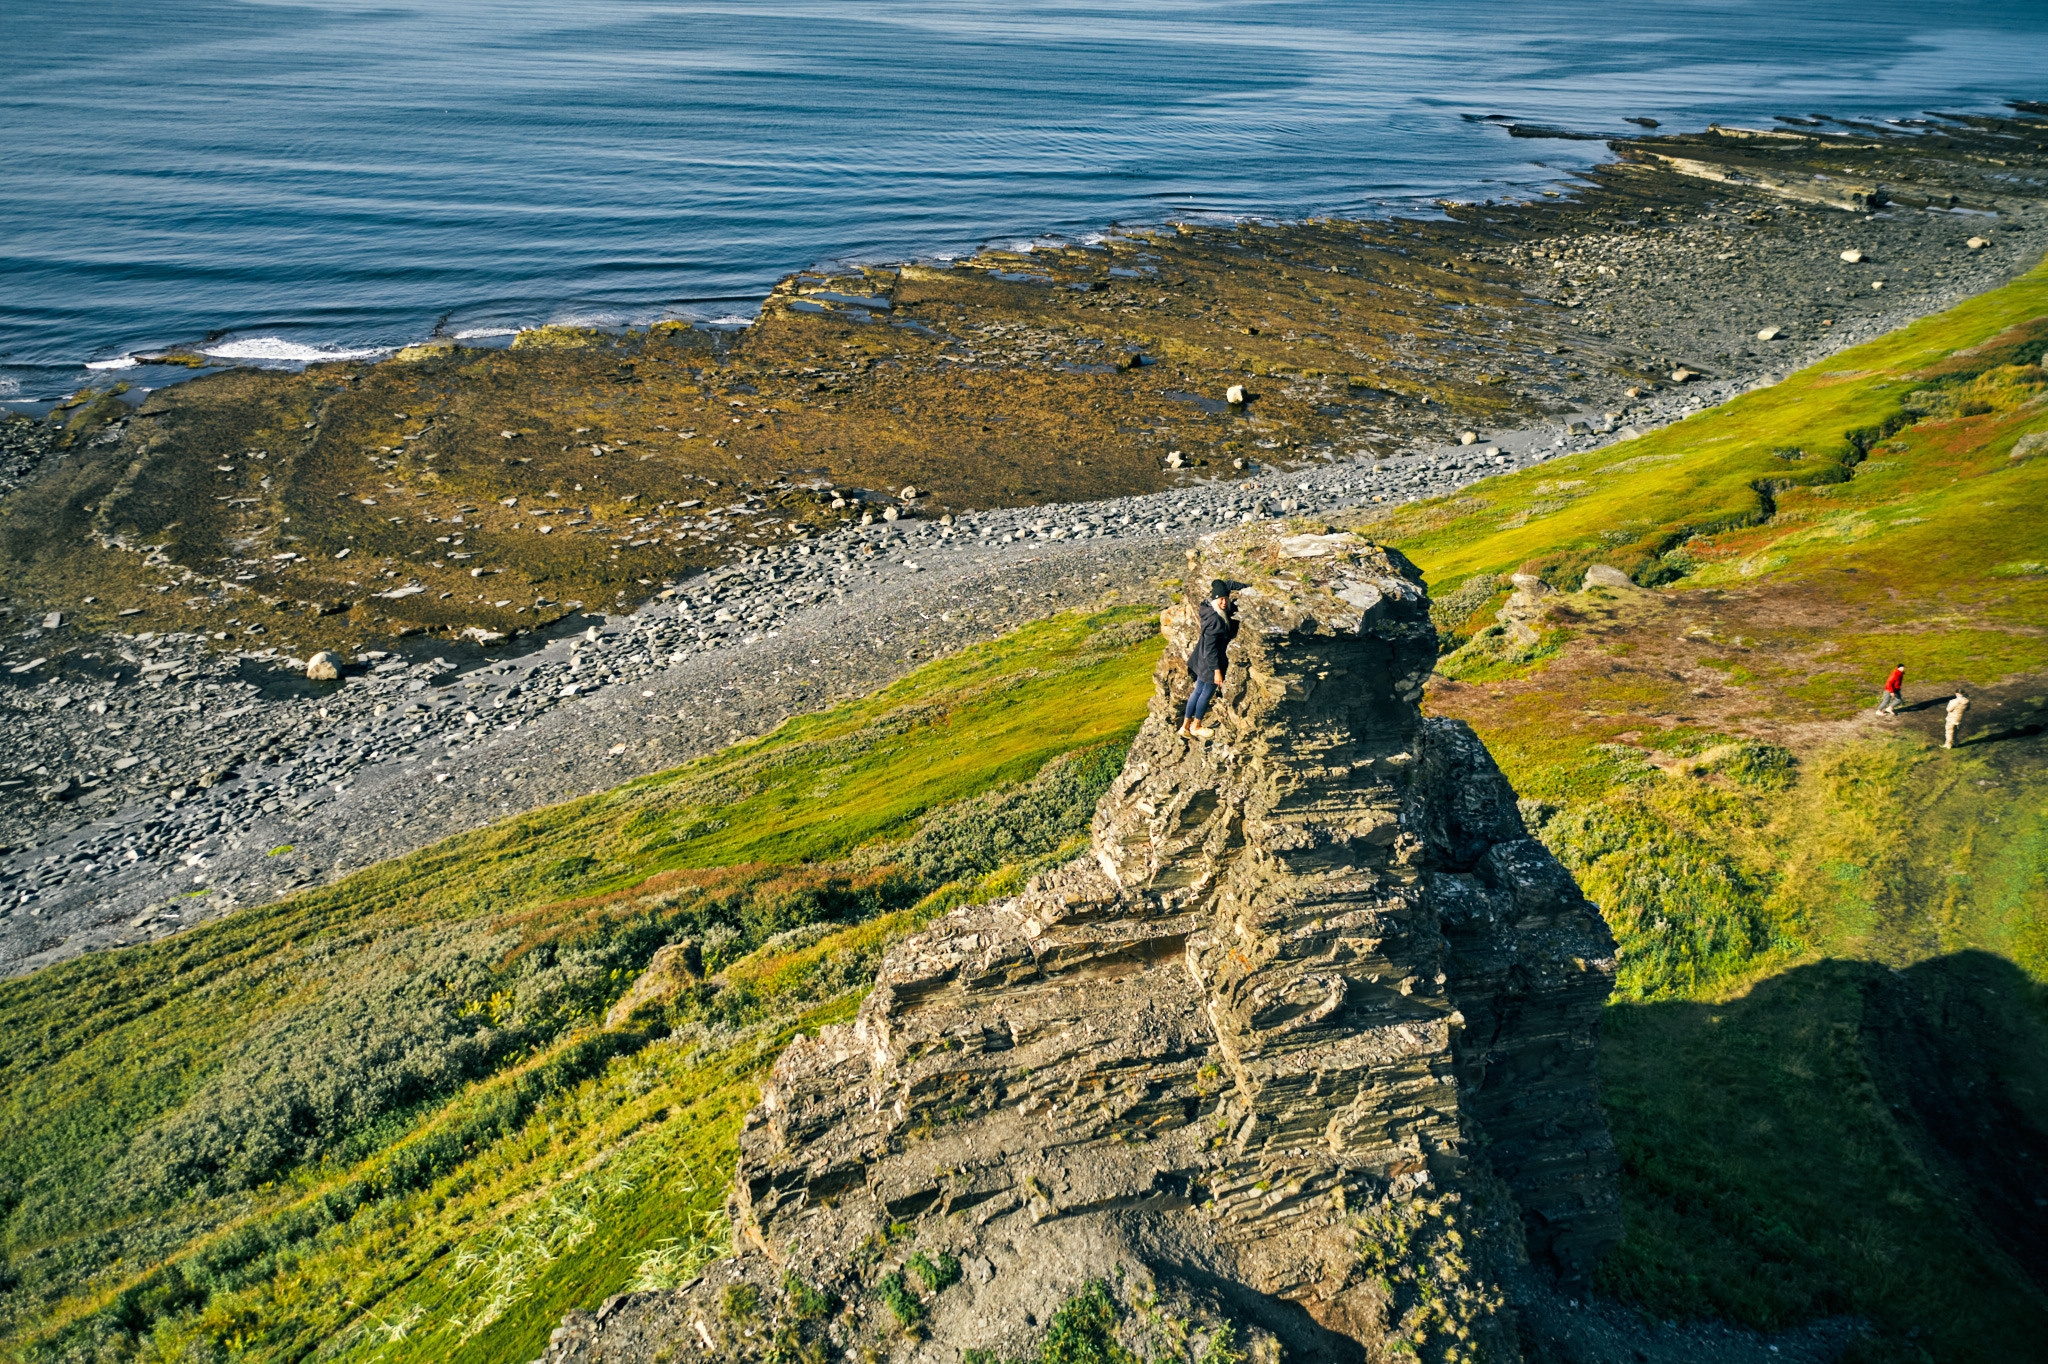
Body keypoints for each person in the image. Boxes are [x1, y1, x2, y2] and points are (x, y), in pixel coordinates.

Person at [1179, 579, 1238, 739]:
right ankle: (1196, 726)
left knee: (1197, 690)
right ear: (1215, 599)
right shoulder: (1215, 620)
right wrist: (1217, 671)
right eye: (1221, 599)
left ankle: (1184, 726)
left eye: (1226, 598)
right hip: (1210, 661)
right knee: (1205, 693)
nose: (1224, 602)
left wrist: (1248, 587)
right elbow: (1212, 650)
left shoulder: (1207, 606)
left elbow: (1225, 583)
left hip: (1201, 657)